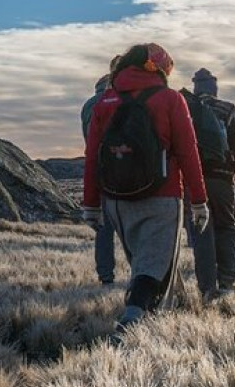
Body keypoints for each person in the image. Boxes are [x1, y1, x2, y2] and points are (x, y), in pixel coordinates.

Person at [81, 43, 208, 338]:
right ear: (162, 69)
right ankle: (131, 322)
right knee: (151, 268)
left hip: (116, 200)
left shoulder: (105, 102)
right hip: (161, 197)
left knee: (143, 264)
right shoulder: (170, 100)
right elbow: (188, 153)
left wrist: (91, 204)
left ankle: (151, 323)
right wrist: (200, 200)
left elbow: (92, 157)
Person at [184, 68, 235, 301]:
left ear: (196, 87)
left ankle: (207, 288)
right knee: (227, 227)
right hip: (223, 179)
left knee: (201, 231)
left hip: (193, 180)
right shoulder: (228, 109)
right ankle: (228, 282)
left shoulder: (185, 107)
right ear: (214, 87)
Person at [80, 55, 122, 285]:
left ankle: (105, 275)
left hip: (98, 169)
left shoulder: (87, 106)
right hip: (120, 166)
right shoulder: (114, 100)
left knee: (103, 229)